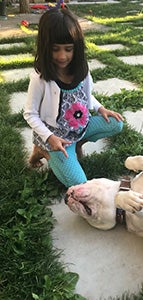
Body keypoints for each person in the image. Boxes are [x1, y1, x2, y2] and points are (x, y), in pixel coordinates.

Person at [23, 7, 123, 188]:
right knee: (79, 182)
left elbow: (85, 97)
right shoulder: (40, 79)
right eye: (55, 49)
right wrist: (49, 138)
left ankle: (77, 144)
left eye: (68, 49)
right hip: (56, 137)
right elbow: (30, 114)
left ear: (76, 47)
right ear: (45, 48)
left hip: (80, 129)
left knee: (116, 123)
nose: (62, 56)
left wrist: (100, 109)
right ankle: (42, 150)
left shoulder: (82, 71)